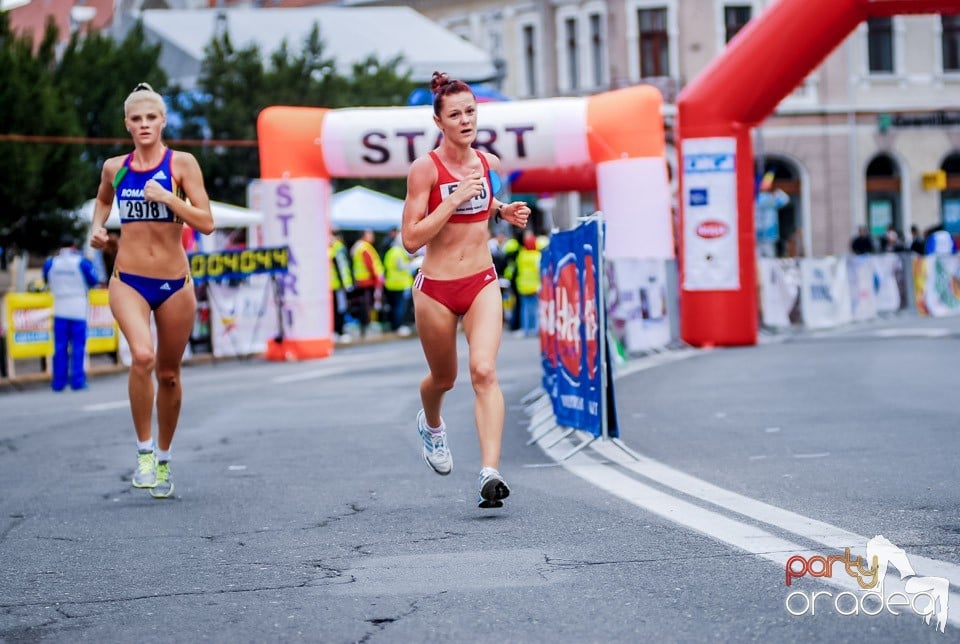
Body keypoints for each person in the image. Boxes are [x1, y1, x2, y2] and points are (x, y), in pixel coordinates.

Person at [401, 71, 531, 509]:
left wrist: (502, 209)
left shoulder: (489, 164)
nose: (465, 120)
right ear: (439, 122)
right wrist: (451, 201)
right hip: (435, 288)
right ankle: (432, 425)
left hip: (481, 281)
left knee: (484, 371)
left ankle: (490, 472)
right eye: (455, 114)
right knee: (445, 378)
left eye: (471, 112)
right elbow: (411, 238)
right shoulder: (425, 169)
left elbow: (482, 199)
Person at [89, 82, 214, 499]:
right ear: (127, 124)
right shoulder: (115, 168)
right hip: (128, 279)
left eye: (151, 118)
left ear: (163, 122)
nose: (144, 125)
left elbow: (206, 221)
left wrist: (168, 198)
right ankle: (143, 453)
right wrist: (97, 227)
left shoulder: (182, 164)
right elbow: (103, 201)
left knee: (169, 374)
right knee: (141, 355)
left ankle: (163, 457)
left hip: (175, 283)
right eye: (136, 119)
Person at [43, 235, 99, 391]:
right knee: (78, 347)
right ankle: (77, 380)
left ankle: (58, 382)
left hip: (59, 307)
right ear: (74, 246)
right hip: (78, 308)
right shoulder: (82, 262)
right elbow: (94, 280)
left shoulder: (50, 263)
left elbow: (46, 279)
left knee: (60, 347)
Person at [350, 229, 384, 337]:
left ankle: (364, 326)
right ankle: (366, 326)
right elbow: (371, 265)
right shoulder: (365, 248)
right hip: (367, 281)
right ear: (364, 235)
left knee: (363, 305)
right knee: (367, 306)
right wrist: (377, 279)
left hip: (361, 280)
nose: (372, 236)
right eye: (370, 234)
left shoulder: (357, 247)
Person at [382, 234, 414, 335]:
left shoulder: (390, 252)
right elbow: (402, 266)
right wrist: (411, 263)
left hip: (391, 283)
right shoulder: (399, 252)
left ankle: (394, 325)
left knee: (394, 306)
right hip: (400, 284)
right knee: (400, 307)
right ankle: (399, 326)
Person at [514, 230, 542, 337]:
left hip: (523, 286)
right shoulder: (537, 256)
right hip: (534, 286)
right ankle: (535, 329)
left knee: (524, 308)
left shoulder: (521, 255)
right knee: (535, 309)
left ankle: (525, 329)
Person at [329, 231, 354, 341]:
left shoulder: (329, 249)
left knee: (334, 309)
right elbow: (342, 268)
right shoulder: (338, 249)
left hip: (331, 285)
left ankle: (335, 331)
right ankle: (339, 332)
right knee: (340, 309)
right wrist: (346, 284)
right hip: (338, 285)